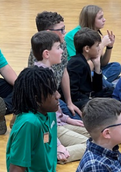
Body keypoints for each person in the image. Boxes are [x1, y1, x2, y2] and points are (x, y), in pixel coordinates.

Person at [30, 31, 91, 163]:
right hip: (52, 128)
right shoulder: (41, 77)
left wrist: (69, 119)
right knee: (91, 144)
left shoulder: (49, 71)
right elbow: (44, 122)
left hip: (58, 123)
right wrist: (58, 146)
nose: (62, 51)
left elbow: (55, 113)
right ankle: (56, 154)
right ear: (47, 54)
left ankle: (55, 148)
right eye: (58, 48)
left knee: (93, 134)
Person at [28, 11, 82, 120]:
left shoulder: (62, 43)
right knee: (76, 118)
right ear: (49, 32)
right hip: (47, 98)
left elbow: (64, 70)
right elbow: (44, 92)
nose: (65, 32)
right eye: (61, 30)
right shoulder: (39, 56)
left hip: (57, 92)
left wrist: (69, 102)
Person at [64, 4, 121, 88]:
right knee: (93, 74)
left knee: (116, 66)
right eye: (100, 18)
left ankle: (101, 81)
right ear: (90, 20)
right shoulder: (72, 36)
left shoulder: (94, 32)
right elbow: (83, 68)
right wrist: (101, 45)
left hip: (95, 68)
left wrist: (109, 47)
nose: (104, 20)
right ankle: (108, 85)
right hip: (82, 72)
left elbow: (102, 63)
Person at [67, 28, 114, 112]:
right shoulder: (77, 63)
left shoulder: (83, 61)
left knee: (111, 90)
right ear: (87, 49)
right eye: (97, 46)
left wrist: (97, 66)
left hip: (87, 95)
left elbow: (97, 88)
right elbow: (73, 93)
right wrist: (91, 99)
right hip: (79, 100)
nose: (99, 49)